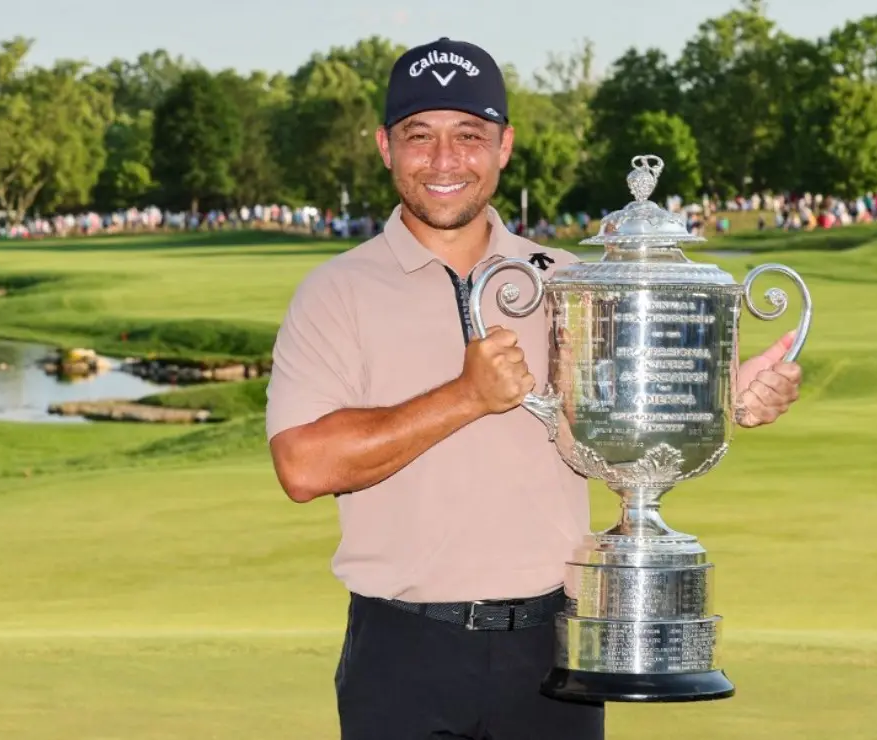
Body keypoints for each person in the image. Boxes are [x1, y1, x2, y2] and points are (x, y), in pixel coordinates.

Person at [265, 37, 804, 740]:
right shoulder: (334, 292)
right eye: (419, 136)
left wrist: (720, 395)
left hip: (552, 651)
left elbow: (630, 413)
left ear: (505, 146)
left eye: (469, 135)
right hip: (402, 652)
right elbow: (303, 467)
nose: (445, 160)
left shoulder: (573, 283)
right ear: (384, 146)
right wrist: (465, 395)